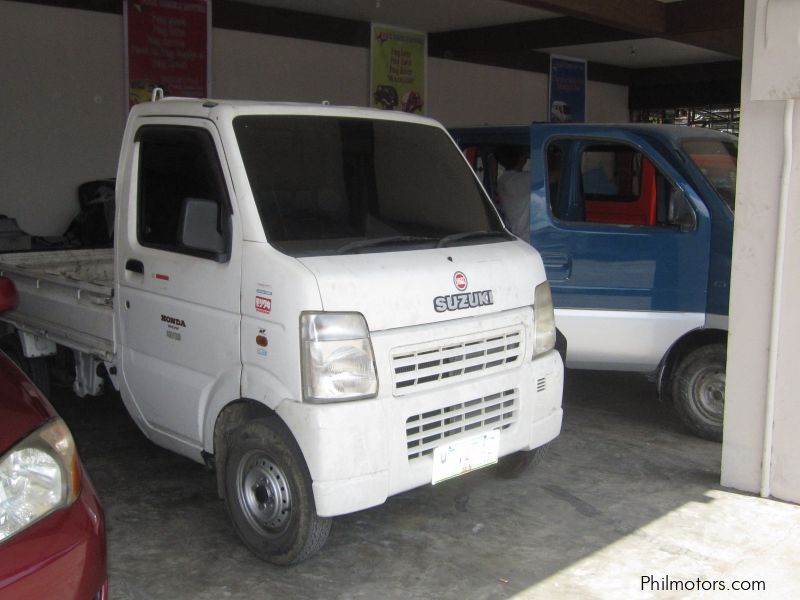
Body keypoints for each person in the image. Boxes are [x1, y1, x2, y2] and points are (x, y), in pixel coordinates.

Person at [494, 145, 531, 240]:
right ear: (521, 159)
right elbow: (553, 175)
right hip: (527, 238)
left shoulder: (502, 180)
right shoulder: (522, 180)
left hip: (514, 235)